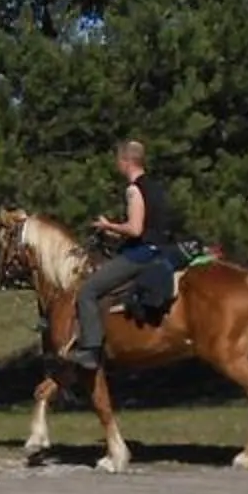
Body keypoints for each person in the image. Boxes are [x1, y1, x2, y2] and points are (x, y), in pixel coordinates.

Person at [72, 137, 183, 368]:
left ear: (126, 161)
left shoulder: (133, 190)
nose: (117, 165)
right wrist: (115, 234)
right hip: (162, 249)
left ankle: (91, 349)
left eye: (118, 160)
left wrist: (108, 225)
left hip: (142, 254)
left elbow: (135, 229)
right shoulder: (156, 187)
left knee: (88, 291)